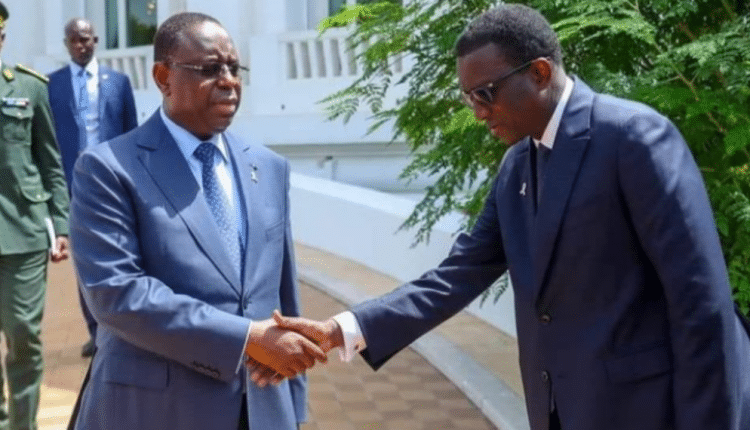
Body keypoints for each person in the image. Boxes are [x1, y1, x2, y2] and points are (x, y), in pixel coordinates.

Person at [272, 4, 750, 430]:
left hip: (648, 411)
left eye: (486, 93)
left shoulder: (634, 139)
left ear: (539, 72)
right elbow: (458, 274)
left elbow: (701, 306)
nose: (479, 112)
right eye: (469, 98)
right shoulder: (517, 166)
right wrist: (343, 329)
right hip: (558, 411)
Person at [68, 12, 324, 430]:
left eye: (234, 68)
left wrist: (292, 409)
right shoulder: (107, 168)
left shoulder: (269, 167)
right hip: (159, 412)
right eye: (209, 69)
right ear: (163, 77)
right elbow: (117, 294)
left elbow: (282, 297)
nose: (228, 81)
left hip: (263, 407)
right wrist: (246, 338)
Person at [48, 18, 138, 358]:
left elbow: (131, 133)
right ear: (66, 44)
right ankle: (95, 331)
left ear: (96, 40)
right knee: (85, 261)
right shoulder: (51, 85)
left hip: (112, 184)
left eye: (85, 39)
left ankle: (121, 328)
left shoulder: (119, 83)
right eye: (73, 40)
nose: (80, 45)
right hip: (72, 185)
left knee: (121, 253)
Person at [0, 2, 71, 429]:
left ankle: (22, 424)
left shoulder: (28, 87)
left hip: (23, 228)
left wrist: (60, 224)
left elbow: (50, 162)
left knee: (23, 333)